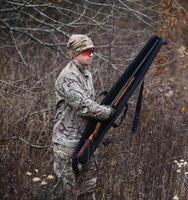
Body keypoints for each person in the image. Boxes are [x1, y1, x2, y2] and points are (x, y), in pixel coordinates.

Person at [52, 34, 114, 199]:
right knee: (64, 193)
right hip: (66, 144)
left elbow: (88, 103)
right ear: (75, 53)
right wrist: (107, 113)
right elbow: (83, 106)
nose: (91, 54)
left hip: (85, 140)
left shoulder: (86, 74)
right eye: (87, 51)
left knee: (87, 190)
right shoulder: (68, 77)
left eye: (92, 51)